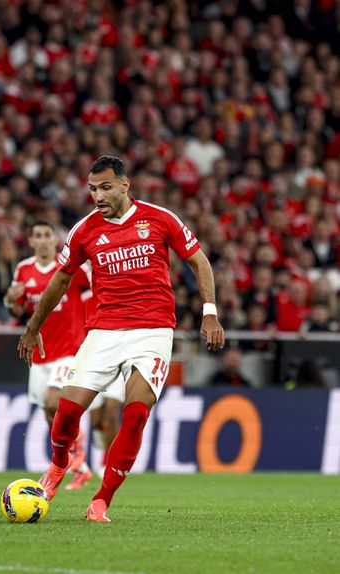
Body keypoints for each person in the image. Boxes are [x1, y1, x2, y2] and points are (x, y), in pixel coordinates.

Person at [18, 156, 224, 522]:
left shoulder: (159, 218)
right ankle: (60, 462)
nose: (98, 195)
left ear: (125, 185)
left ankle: (101, 500)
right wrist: (33, 328)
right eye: (92, 189)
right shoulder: (84, 231)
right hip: (104, 331)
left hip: (153, 330)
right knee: (67, 411)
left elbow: (200, 261)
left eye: (106, 187)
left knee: (136, 413)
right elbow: (61, 279)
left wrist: (209, 312)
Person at [4, 221, 122, 491]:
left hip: (70, 351)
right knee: (50, 415)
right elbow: (18, 311)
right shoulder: (23, 269)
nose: (43, 240)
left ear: (54, 240)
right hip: (41, 355)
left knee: (52, 401)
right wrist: (10, 300)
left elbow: (98, 291)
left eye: (47, 235)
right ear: (31, 241)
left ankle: (77, 459)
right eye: (37, 235)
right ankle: (79, 466)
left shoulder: (72, 267)